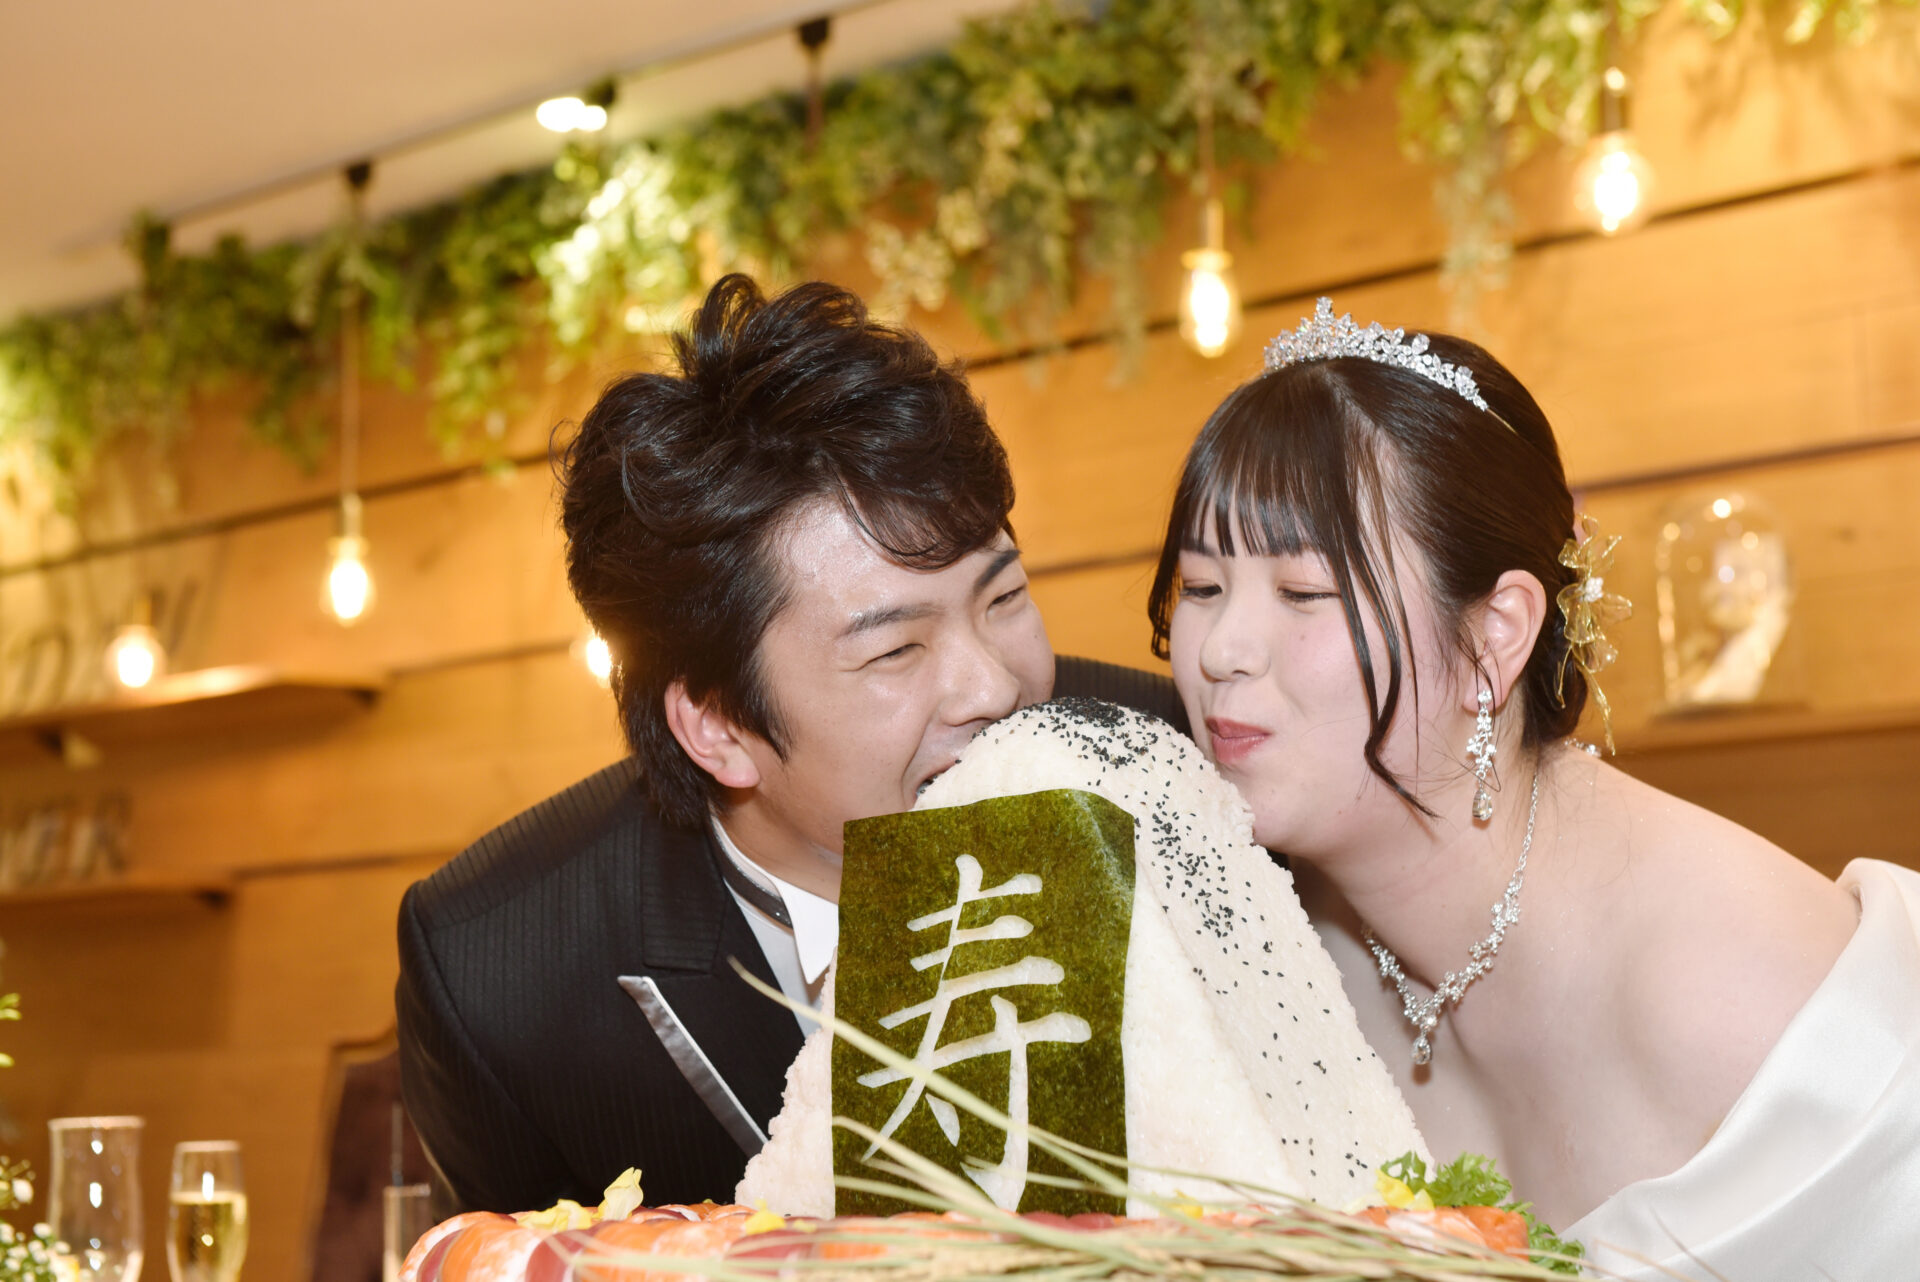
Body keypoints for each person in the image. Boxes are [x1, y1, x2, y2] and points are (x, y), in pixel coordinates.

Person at [1149, 299, 1914, 1279]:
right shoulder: (1271, 949)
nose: (1221, 649)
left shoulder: (1734, 991)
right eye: (1202, 588)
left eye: (1304, 593)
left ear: (1494, 636)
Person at [396, 274, 1184, 1217]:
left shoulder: (1175, 762)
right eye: (895, 650)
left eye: (1004, 597)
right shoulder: (502, 978)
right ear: (720, 727)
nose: (995, 688)